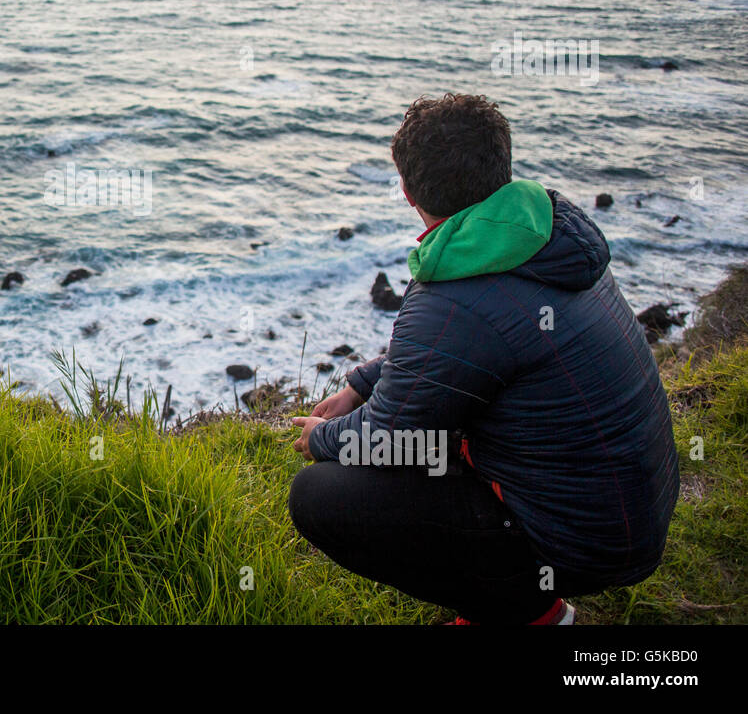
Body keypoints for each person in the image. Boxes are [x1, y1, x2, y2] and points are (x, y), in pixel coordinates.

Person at [288, 93, 679, 624]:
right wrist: (362, 380)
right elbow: (472, 346)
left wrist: (320, 438)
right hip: (633, 513)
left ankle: (532, 614)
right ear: (501, 166)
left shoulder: (452, 292)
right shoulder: (545, 233)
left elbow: (385, 439)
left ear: (406, 191)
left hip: (583, 544)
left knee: (320, 493)